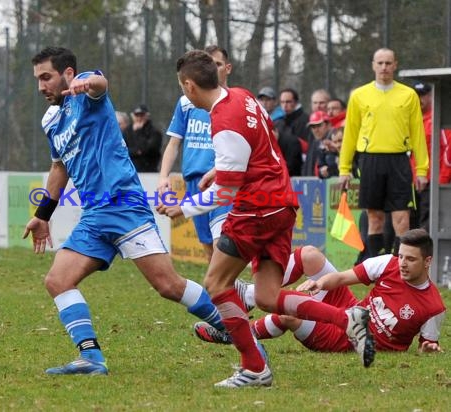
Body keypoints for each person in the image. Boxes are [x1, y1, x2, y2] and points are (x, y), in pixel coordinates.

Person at [159, 50, 373, 388]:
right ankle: (347, 318)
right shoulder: (242, 96)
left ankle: (254, 367)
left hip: (255, 209)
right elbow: (262, 143)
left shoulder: (223, 121)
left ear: (189, 86)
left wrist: (182, 208)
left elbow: (226, 195)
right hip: (282, 203)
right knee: (268, 297)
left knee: (216, 285)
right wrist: (222, 169)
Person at [25, 46, 227, 376]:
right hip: (93, 216)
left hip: (123, 207)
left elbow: (100, 82)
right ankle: (91, 358)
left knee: (169, 286)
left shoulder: (89, 97)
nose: (41, 86)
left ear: (68, 75)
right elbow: (59, 167)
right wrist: (42, 214)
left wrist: (88, 82)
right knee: (58, 280)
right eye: (37, 79)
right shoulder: (50, 119)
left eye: (46, 77)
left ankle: (233, 328)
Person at [196, 229, 445, 354]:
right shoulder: (388, 263)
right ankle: (251, 294)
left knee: (288, 314)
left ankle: (234, 334)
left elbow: (428, 345)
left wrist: (429, 348)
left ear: (427, 261)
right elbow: (342, 278)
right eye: (401, 256)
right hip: (349, 310)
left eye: (410, 259)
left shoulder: (433, 306)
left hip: (349, 340)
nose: (402, 263)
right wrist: (320, 283)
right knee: (311, 256)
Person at [339, 48, 429, 257]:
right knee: (375, 218)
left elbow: (418, 134)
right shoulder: (359, 95)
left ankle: (399, 267)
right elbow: (350, 134)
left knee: (402, 219)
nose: (384, 67)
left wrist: (422, 169)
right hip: (370, 160)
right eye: (380, 63)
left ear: (395, 65)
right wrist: (344, 168)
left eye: (388, 63)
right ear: (373, 65)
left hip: (398, 160)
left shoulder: (408, 95)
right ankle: (374, 267)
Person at [158, 45, 234, 262]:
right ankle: (222, 294)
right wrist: (164, 176)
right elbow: (174, 144)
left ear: (227, 68)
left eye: (217, 64)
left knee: (222, 245)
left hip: (221, 181)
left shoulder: (233, 101)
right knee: (209, 249)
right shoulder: (186, 103)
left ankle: (232, 291)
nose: (211, 69)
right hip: (193, 182)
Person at [410, 81, 451, 231]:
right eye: (416, 95)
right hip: (410, 183)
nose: (419, 99)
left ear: (430, 95)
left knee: (427, 225)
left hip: (430, 182)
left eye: (423, 95)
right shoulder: (409, 120)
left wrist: (441, 180)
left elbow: (448, 151)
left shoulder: (438, 118)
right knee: (410, 224)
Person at [123, 104, 163, 172]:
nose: (139, 118)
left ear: (147, 116)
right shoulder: (127, 131)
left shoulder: (154, 132)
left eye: (142, 115)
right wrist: (137, 151)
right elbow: (123, 150)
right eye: (137, 115)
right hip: (130, 170)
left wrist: (139, 131)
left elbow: (150, 149)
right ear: (132, 116)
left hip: (149, 170)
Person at [303, 111, 332, 177]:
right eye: (313, 127)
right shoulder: (315, 143)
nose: (316, 130)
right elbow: (309, 167)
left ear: (328, 125)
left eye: (319, 125)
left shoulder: (336, 141)